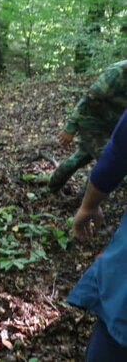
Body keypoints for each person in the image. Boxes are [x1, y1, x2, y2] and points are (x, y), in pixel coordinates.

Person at [67, 108, 127, 360]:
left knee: (120, 311)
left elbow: (118, 153)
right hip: (93, 124)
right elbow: (87, 102)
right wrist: (70, 128)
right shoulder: (113, 76)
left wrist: (89, 205)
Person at [48, 59, 127, 193]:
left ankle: (52, 187)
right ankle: (86, 202)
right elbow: (88, 99)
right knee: (108, 161)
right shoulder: (116, 73)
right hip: (92, 123)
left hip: (113, 125)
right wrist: (70, 127)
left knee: (80, 158)